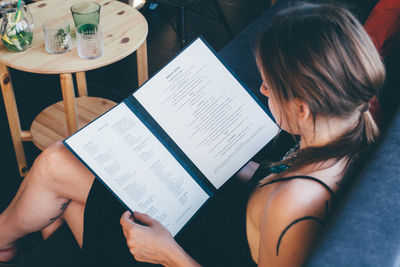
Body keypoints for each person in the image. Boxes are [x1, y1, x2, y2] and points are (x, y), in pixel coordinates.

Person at [0, 2, 385, 266]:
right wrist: (239, 164)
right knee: (65, 186)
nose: (263, 91)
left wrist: (166, 252)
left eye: (269, 86)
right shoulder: (353, 128)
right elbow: (275, 181)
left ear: (303, 107)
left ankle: (3, 241)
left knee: (54, 165)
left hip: (186, 248)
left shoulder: (295, 206)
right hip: (212, 218)